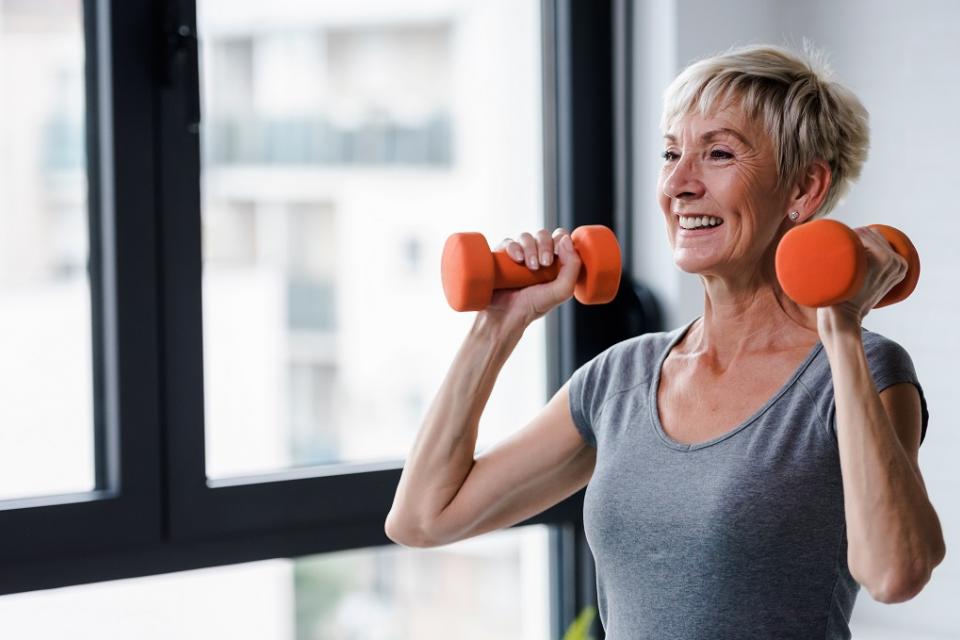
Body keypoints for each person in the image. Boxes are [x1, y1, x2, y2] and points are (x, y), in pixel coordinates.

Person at [384, 43, 946, 638]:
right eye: (671, 153)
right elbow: (422, 518)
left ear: (803, 190)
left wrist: (840, 324)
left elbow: (893, 572)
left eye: (719, 153)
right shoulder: (618, 380)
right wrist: (497, 325)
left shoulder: (857, 369)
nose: (679, 184)